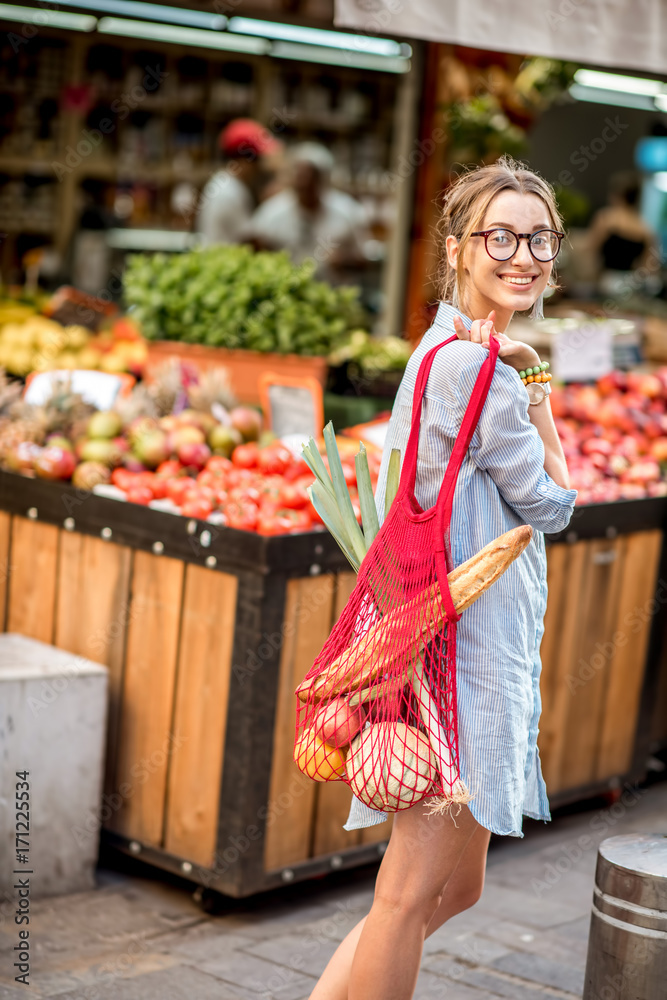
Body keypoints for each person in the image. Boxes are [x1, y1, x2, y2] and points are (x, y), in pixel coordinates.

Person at [309, 156, 577, 1000]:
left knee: (455, 887)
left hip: (452, 641)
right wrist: (535, 386)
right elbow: (556, 503)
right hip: (451, 669)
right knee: (406, 893)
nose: (523, 255)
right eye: (500, 235)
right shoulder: (476, 370)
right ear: (457, 248)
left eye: (540, 238)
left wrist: (515, 363)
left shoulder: (452, 349)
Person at [248, 142, 367, 281]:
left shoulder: (348, 212)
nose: (305, 185)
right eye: (300, 180)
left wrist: (344, 261)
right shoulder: (271, 213)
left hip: (334, 295)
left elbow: (364, 260)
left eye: (311, 180)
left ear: (323, 181)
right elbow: (253, 250)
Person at [194, 118, 281, 246]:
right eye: (256, 160)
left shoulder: (226, 183)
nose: (259, 167)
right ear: (244, 160)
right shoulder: (230, 191)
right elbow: (250, 240)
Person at [586, 171, 658, 297]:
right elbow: (649, 264)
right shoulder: (644, 227)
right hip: (631, 285)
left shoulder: (606, 219)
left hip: (606, 282)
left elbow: (590, 250)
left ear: (616, 194)